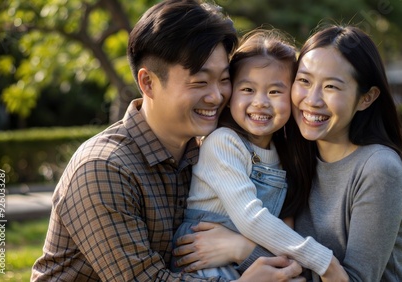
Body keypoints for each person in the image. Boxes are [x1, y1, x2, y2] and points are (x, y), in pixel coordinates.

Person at [31, 1, 305, 281]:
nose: (216, 96)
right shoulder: (104, 169)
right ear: (148, 83)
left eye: (224, 79)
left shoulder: (201, 154)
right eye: (200, 82)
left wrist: (242, 248)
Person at [173, 25, 402, 281]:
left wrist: (239, 249)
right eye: (304, 81)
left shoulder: (378, 169)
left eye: (331, 86)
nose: (312, 99)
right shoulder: (297, 155)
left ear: (366, 98)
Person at [170, 28, 347, 280]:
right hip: (204, 264)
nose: (261, 102)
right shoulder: (223, 143)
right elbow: (251, 218)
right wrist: (324, 261)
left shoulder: (285, 152)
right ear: (230, 95)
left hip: (244, 259)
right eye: (248, 90)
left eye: (275, 92)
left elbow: (283, 228)